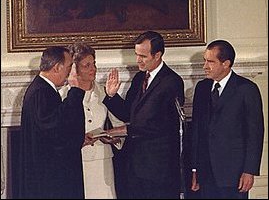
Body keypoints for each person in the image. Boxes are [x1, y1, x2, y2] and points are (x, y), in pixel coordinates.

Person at [103, 31, 185, 199]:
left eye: (143, 56)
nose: (138, 60)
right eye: (136, 54)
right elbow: (128, 113)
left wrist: (114, 132)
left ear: (157, 55)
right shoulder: (140, 77)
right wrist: (112, 95)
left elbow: (157, 125)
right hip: (136, 166)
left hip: (159, 171)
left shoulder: (172, 82)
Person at [191, 39, 264, 199]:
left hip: (234, 174)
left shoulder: (247, 89)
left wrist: (249, 171)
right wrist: (195, 169)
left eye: (210, 61)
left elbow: (255, 134)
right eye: (205, 60)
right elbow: (196, 130)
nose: (205, 66)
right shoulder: (202, 88)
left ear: (226, 63)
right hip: (206, 173)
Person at [19, 46, 87, 199]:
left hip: (47, 174)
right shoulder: (41, 92)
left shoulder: (43, 89)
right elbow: (56, 129)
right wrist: (75, 92)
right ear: (57, 67)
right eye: (69, 67)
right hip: (50, 178)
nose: (70, 73)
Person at [60, 42, 125, 199]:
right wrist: (77, 140)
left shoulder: (105, 92)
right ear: (75, 69)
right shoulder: (63, 95)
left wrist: (113, 138)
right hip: (76, 161)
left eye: (93, 64)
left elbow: (120, 126)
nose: (93, 69)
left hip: (103, 163)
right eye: (86, 65)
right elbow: (59, 134)